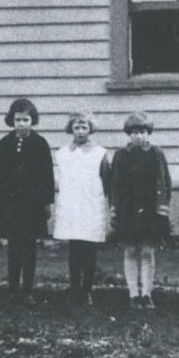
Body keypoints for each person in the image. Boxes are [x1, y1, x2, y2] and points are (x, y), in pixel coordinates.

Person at [0, 97, 55, 305]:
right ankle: (12, 289)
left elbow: (47, 177)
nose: (21, 124)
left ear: (32, 121)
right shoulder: (4, 144)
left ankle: (27, 289)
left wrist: (47, 203)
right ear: (12, 121)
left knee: (29, 247)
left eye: (25, 120)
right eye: (18, 120)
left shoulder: (40, 144)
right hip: (10, 205)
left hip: (32, 205)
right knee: (13, 247)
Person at [105, 112, 173, 310]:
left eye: (142, 132)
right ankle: (133, 293)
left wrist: (162, 209)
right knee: (130, 250)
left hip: (150, 210)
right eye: (134, 132)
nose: (139, 136)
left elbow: (164, 182)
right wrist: (115, 209)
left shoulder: (156, 154)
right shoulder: (121, 155)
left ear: (148, 133)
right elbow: (114, 185)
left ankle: (147, 293)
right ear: (129, 134)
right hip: (128, 209)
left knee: (147, 251)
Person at [53, 112, 110, 304]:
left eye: (84, 127)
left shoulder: (99, 153)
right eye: (76, 127)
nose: (80, 131)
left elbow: (106, 180)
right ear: (71, 129)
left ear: (90, 129)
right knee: (74, 249)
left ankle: (87, 290)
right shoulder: (62, 153)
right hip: (72, 206)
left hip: (91, 205)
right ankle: (74, 288)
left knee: (89, 249)